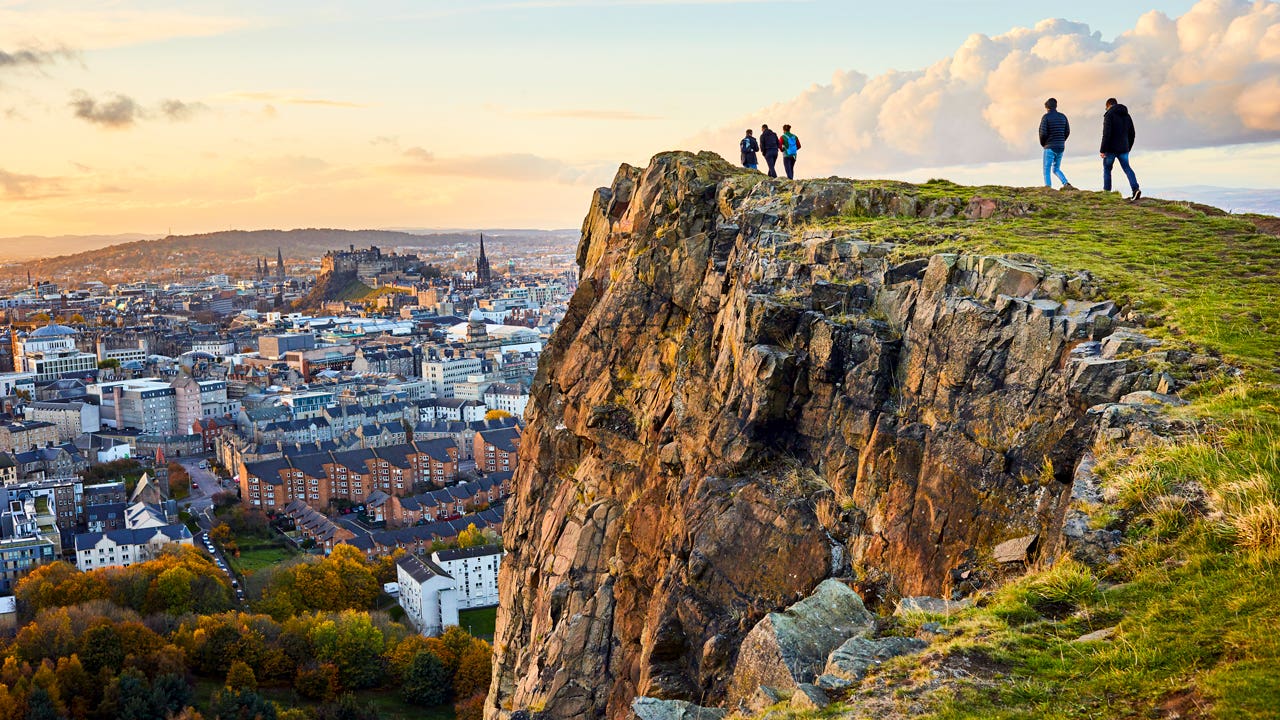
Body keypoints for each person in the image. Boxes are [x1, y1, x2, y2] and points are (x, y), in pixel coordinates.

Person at [1100, 97, 1141, 201]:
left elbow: (1106, 134)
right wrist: (1128, 147)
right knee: (1127, 168)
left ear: (1108, 106)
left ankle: (1107, 193)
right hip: (1124, 148)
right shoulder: (1127, 115)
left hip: (1111, 149)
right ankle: (1135, 189)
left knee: (1107, 169)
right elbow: (1132, 134)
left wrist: (1102, 150)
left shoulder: (1109, 115)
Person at [1038, 98, 1072, 189]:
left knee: (1046, 169)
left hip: (1049, 146)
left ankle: (1048, 187)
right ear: (1055, 106)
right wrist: (1061, 140)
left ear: (1047, 107)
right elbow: (1067, 131)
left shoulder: (1046, 117)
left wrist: (1044, 144)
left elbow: (1043, 133)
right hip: (1060, 147)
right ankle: (1066, 183)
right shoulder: (1063, 116)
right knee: (1056, 168)